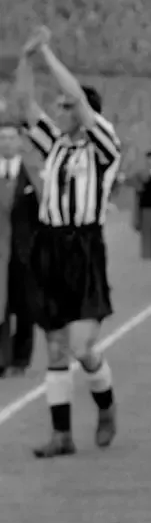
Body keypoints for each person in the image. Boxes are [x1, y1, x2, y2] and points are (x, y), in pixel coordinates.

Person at [13, 26, 121, 456]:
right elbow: (23, 106)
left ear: (85, 111)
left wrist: (48, 54)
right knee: (54, 344)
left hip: (84, 248)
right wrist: (25, 58)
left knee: (82, 346)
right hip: (49, 246)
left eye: (66, 106)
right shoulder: (56, 145)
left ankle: (106, 402)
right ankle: (61, 435)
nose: (59, 110)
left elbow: (75, 95)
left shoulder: (103, 146)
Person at [0, 119, 38, 376]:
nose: (6, 142)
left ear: (20, 141)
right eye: (1, 137)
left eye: (10, 137)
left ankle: (21, 357)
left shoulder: (31, 177)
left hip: (24, 254)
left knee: (24, 307)